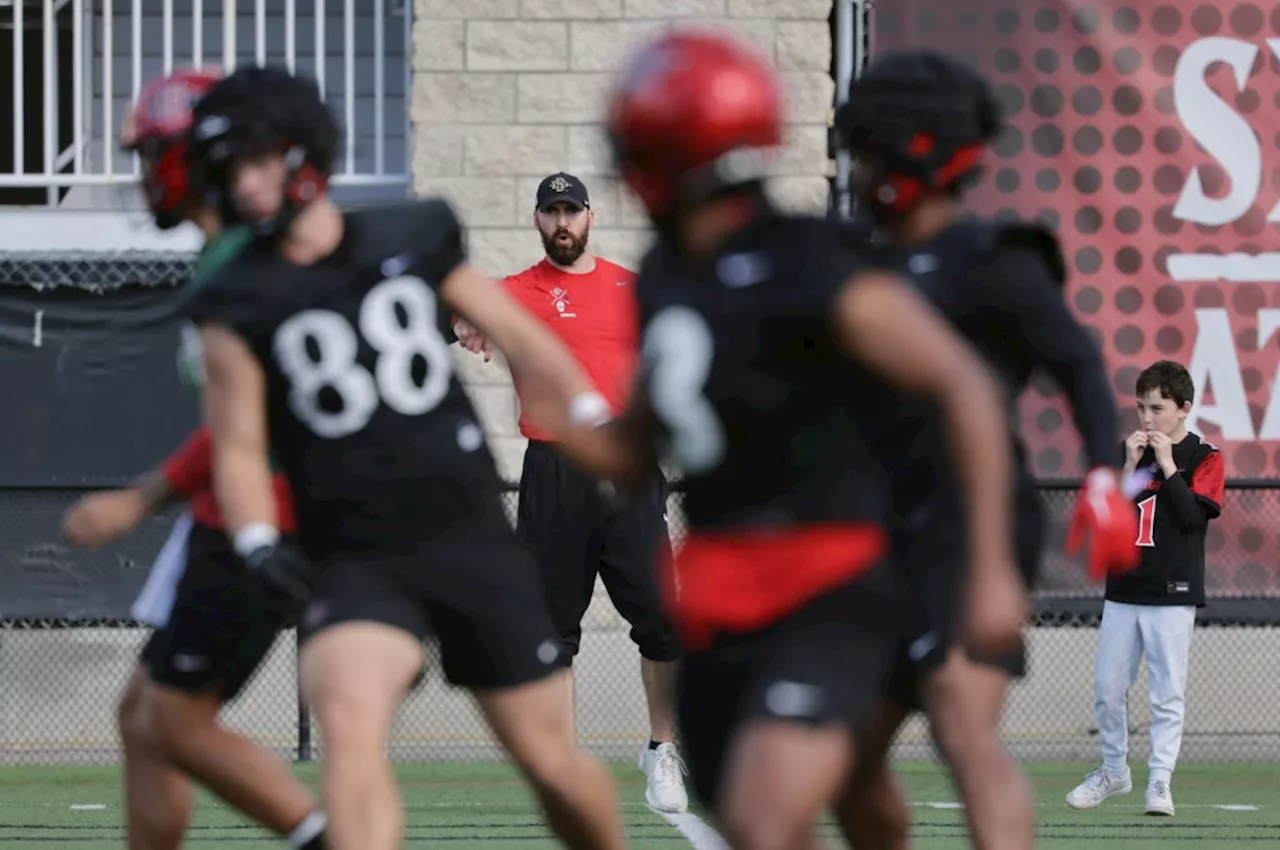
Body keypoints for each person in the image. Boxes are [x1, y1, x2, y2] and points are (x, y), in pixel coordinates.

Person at [550, 30, 1029, 849]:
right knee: (814, 799)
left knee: (762, 819)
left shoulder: (807, 255)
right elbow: (641, 446)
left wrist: (988, 571)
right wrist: (556, 421)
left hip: (827, 583)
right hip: (715, 597)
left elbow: (965, 389)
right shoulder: (667, 273)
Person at [182, 64, 627, 850]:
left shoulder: (408, 233)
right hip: (351, 546)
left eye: (255, 160)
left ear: (301, 155)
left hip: (464, 530)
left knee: (548, 760)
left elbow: (524, 337)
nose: (242, 185)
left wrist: (592, 415)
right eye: (228, 170)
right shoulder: (232, 297)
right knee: (348, 725)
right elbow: (242, 445)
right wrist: (255, 540)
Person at [829, 51, 1146, 850]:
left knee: (961, 726)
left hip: (971, 522)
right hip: (873, 528)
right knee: (850, 764)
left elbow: (1078, 366)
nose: (858, 174)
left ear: (916, 154)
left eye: (869, 155)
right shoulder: (847, 258)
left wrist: (1104, 476)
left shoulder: (995, 260)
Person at [60, 68, 328, 850]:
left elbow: (256, 424)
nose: (144, 178)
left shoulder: (246, 268)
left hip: (259, 519)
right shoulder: (224, 259)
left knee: (175, 719)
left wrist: (137, 502)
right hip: (229, 513)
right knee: (142, 718)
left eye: (152, 157)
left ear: (194, 158)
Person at [454, 172, 687, 813]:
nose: (563, 222)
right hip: (552, 471)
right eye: (551, 211)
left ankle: (662, 750)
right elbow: (453, 311)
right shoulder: (514, 292)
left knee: (664, 623)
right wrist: (464, 323)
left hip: (627, 469)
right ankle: (564, 767)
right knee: (553, 633)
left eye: (572, 211)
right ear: (536, 220)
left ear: (590, 218)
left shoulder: (630, 290)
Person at [1066, 360, 1224, 817]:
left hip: (1173, 591)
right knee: (1107, 687)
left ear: (1184, 409)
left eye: (1157, 408)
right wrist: (1129, 467)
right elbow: (1105, 514)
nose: (1147, 418)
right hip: (1124, 589)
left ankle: (1160, 781)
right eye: (1140, 407)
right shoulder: (1127, 452)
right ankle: (1114, 770)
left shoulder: (1204, 455)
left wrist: (1170, 467)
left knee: (1166, 692)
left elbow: (1194, 518)